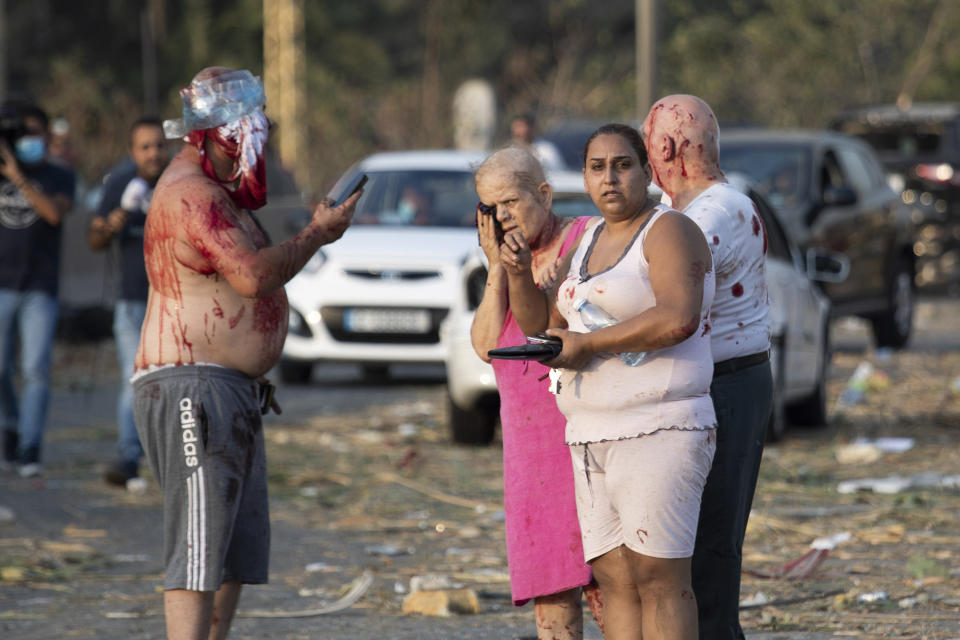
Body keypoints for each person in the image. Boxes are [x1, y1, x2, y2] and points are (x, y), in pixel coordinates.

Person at [132, 67, 359, 640]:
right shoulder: (191, 193)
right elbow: (252, 277)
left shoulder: (218, 192)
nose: (251, 155)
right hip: (192, 386)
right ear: (213, 136)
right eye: (246, 140)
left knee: (233, 548)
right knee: (199, 542)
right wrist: (317, 235)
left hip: (227, 389)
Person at [503, 123, 717, 640]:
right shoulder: (587, 241)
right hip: (589, 433)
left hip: (660, 426)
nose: (610, 178)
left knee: (660, 577)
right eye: (597, 168)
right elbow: (544, 328)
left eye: (623, 165)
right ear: (583, 176)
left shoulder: (669, 229)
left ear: (647, 171)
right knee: (615, 577)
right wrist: (513, 272)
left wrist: (589, 346)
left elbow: (679, 317)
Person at [642, 95, 772, 639]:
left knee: (709, 553)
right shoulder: (701, 208)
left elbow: (664, 293)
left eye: (647, 150)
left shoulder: (711, 214)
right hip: (720, 381)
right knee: (689, 551)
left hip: (727, 385)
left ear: (666, 148)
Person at [471, 145, 601, 639]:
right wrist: (497, 266)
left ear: (543, 194)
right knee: (551, 589)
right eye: (490, 208)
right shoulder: (503, 256)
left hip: (583, 432)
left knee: (606, 582)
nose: (501, 216)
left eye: (510, 202)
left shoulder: (585, 237)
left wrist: (544, 273)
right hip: (530, 448)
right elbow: (485, 346)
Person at [87, 116, 170, 489]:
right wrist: (109, 227)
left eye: (159, 145)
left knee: (172, 384)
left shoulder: (179, 183)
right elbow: (94, 240)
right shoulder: (120, 183)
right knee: (134, 381)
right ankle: (128, 458)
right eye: (145, 147)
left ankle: (169, 461)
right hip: (133, 301)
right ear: (132, 151)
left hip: (173, 303)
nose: (154, 153)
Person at [0, 101, 75, 478]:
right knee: (1, 368)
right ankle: (10, 425)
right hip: (1, 285)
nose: (28, 140)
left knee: (35, 370)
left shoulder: (60, 176)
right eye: (21, 133)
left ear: (47, 135)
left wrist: (18, 178)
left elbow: (54, 213)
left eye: (35, 132)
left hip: (39, 287)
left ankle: (30, 446)